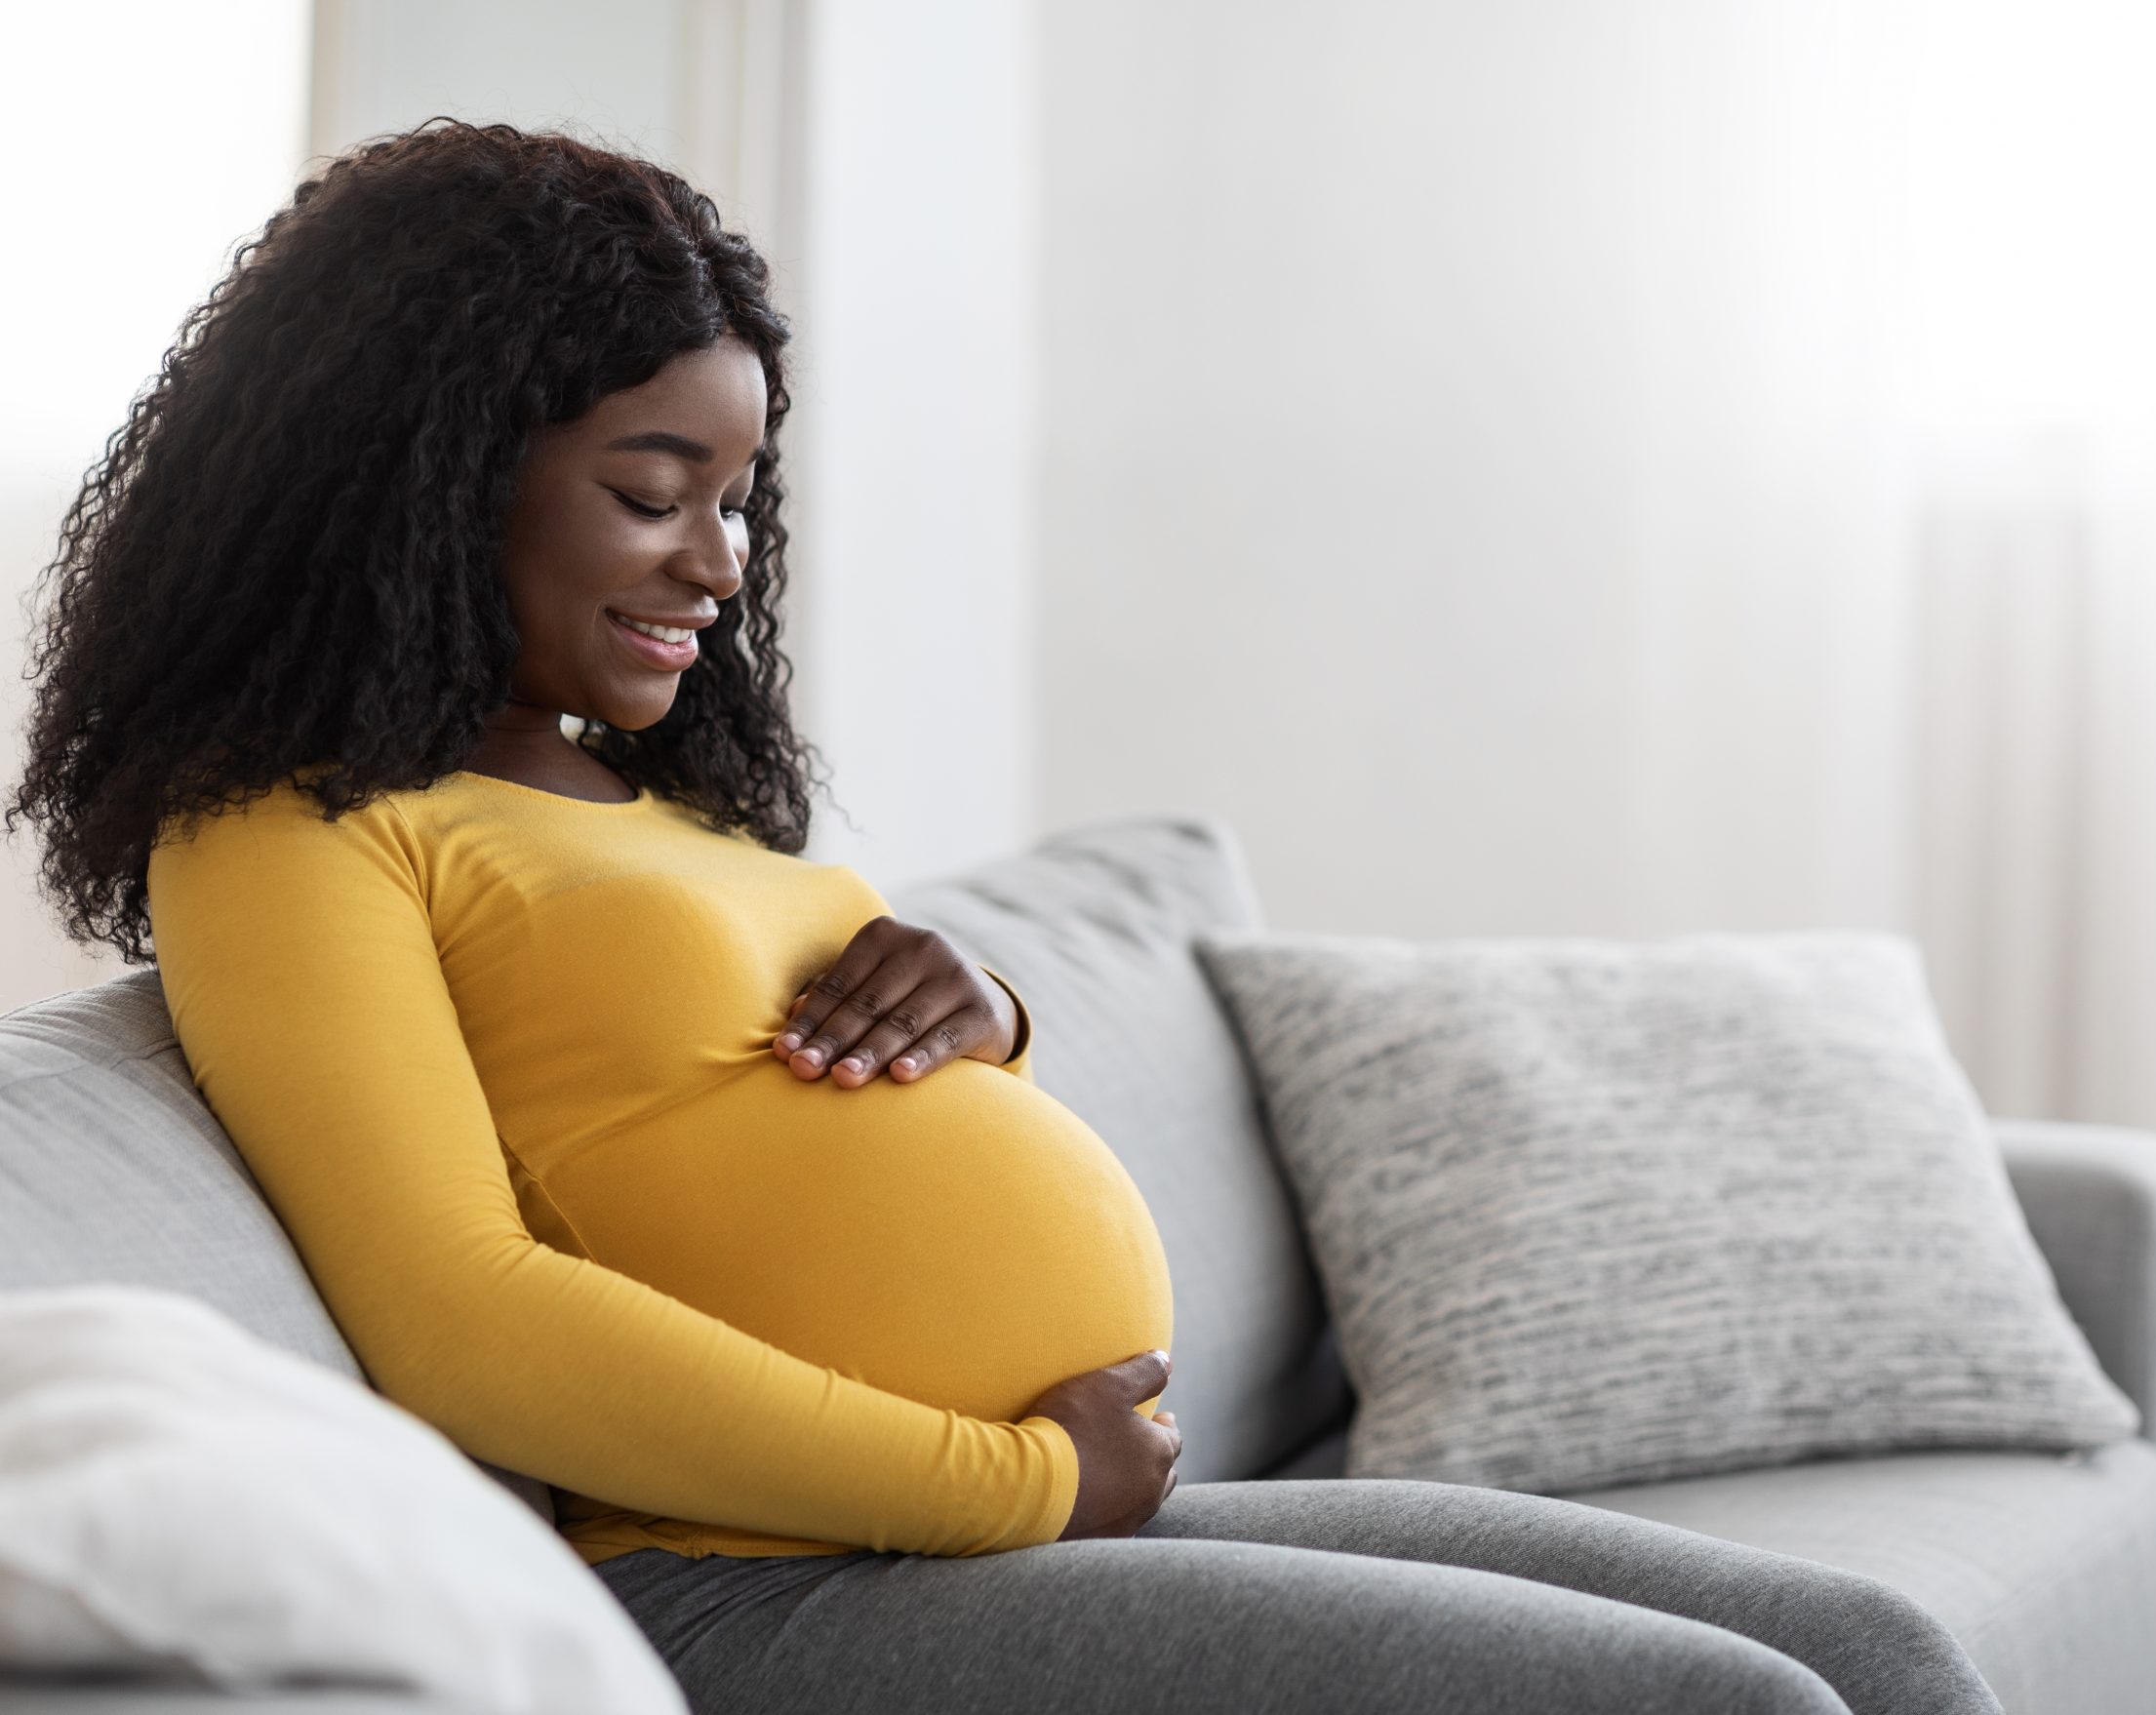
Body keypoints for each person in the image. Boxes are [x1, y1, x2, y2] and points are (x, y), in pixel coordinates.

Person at [7, 119, 2000, 1715]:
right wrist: (1022, 1480)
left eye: (738, 499)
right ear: (428, 480)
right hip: (747, 1596)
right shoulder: (290, 829)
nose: (715, 561)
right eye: (652, 487)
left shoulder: (649, 787)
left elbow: (723, 1092)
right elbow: (462, 1318)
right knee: (1723, 1705)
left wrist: (972, 1011)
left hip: (1022, 1527)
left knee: (1879, 1658)